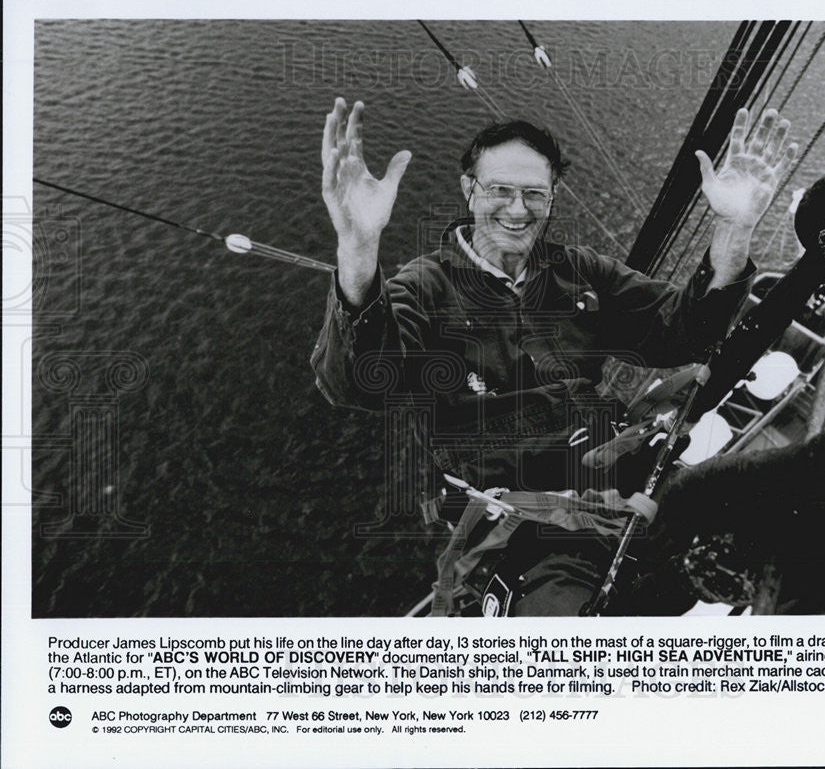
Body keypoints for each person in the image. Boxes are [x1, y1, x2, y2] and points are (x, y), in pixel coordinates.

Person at [312, 97, 798, 615]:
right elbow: (357, 382)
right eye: (500, 190)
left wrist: (734, 228)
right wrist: (359, 248)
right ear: (468, 191)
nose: (517, 210)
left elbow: (682, 331)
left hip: (616, 468)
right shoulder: (424, 288)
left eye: (534, 194)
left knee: (774, 529)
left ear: (552, 198)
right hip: (521, 514)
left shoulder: (579, 272)